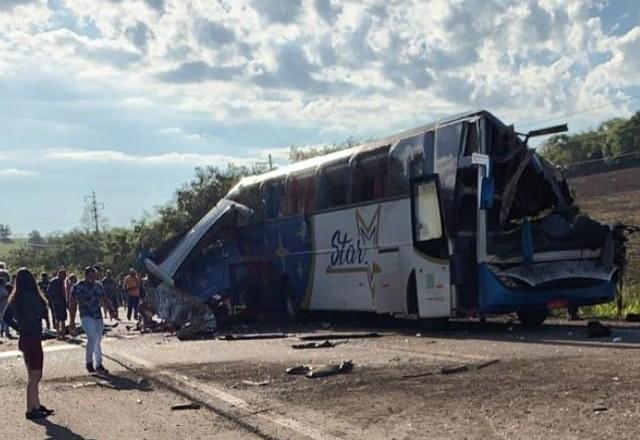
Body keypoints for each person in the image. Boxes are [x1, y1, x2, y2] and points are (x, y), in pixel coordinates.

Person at [2, 268, 55, 419]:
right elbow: (42, 311)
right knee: (35, 375)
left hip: (24, 337)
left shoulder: (15, 298)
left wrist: (19, 327)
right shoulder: (32, 296)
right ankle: (31, 408)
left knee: (32, 374)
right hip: (33, 337)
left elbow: (6, 318)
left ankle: (35, 405)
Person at [72, 267, 115, 374]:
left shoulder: (98, 286)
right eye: (91, 276)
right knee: (92, 338)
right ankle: (89, 362)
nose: (93, 278)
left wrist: (111, 311)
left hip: (97, 315)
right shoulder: (78, 287)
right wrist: (72, 321)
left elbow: (105, 299)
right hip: (86, 315)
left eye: (94, 276)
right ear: (86, 276)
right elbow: (72, 304)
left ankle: (99, 364)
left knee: (98, 340)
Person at [47, 270, 68, 340]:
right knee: (58, 318)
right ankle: (58, 334)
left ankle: (63, 333)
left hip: (62, 302)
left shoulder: (62, 282)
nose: (65, 276)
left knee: (63, 319)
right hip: (57, 302)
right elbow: (49, 292)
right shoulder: (54, 281)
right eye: (64, 275)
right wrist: (53, 300)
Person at [0, 269, 12, 338]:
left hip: (3, 301)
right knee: (5, 316)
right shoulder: (6, 273)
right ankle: (6, 331)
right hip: (5, 302)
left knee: (2, 317)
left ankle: (2, 331)